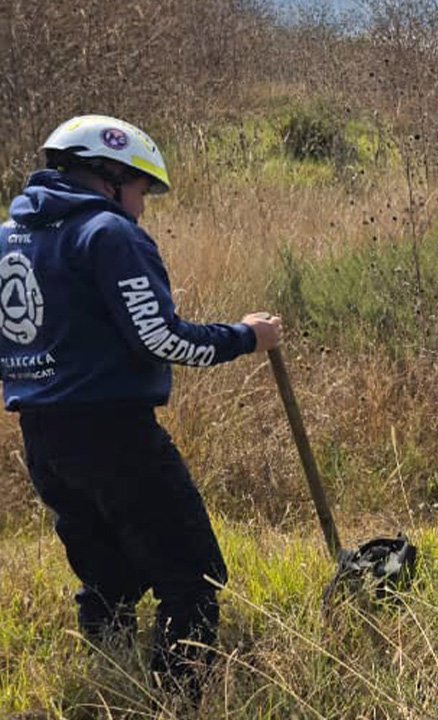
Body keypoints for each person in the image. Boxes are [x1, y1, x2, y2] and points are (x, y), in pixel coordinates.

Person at [0, 115, 282, 698]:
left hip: (42, 440)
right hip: (116, 436)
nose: (143, 208)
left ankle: (112, 688)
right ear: (110, 176)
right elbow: (160, 337)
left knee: (106, 579)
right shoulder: (108, 233)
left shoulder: (9, 237)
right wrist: (246, 337)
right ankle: (179, 701)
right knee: (193, 577)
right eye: (142, 191)